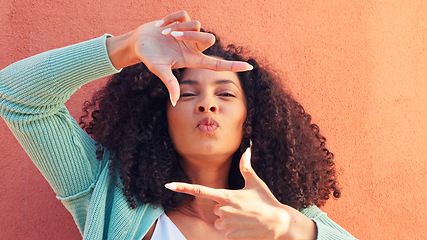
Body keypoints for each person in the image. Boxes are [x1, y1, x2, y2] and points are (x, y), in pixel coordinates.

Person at [0, 11, 357, 240]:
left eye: (226, 95)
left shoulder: (284, 216)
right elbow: (18, 97)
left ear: (251, 121)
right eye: (187, 94)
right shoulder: (109, 198)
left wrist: (292, 229)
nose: (207, 103)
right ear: (159, 117)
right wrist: (128, 47)